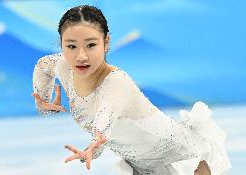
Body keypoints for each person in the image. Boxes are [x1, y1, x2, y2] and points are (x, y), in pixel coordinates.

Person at [32, 5, 231, 175]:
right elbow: (42, 66)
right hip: (141, 164)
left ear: (106, 42)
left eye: (91, 45)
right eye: (71, 46)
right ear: (61, 44)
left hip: (181, 156)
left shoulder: (116, 82)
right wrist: (42, 100)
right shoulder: (62, 65)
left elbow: (103, 121)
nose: (81, 56)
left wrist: (93, 147)